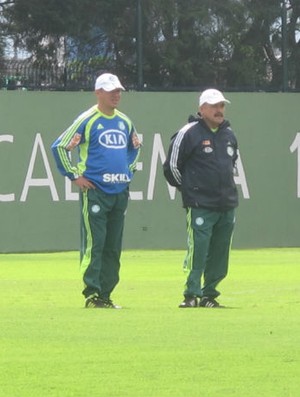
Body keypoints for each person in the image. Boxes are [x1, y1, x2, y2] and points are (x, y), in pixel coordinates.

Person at [51, 73, 141, 309]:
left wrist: (128, 171)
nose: (116, 95)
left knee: (113, 246)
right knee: (95, 243)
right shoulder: (87, 119)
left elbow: (135, 148)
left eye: (118, 90)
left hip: (120, 191)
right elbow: (59, 146)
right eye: (111, 91)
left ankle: (106, 294)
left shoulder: (125, 121)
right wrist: (74, 175)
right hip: (96, 191)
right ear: (98, 92)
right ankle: (92, 294)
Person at [163, 88, 238, 308]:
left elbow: (231, 165)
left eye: (222, 106)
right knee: (198, 249)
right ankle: (191, 294)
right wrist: (190, 191)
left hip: (226, 204)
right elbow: (171, 168)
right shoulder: (189, 132)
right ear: (201, 109)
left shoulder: (229, 134)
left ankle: (209, 295)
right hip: (200, 205)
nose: (219, 110)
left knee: (220, 252)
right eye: (214, 106)